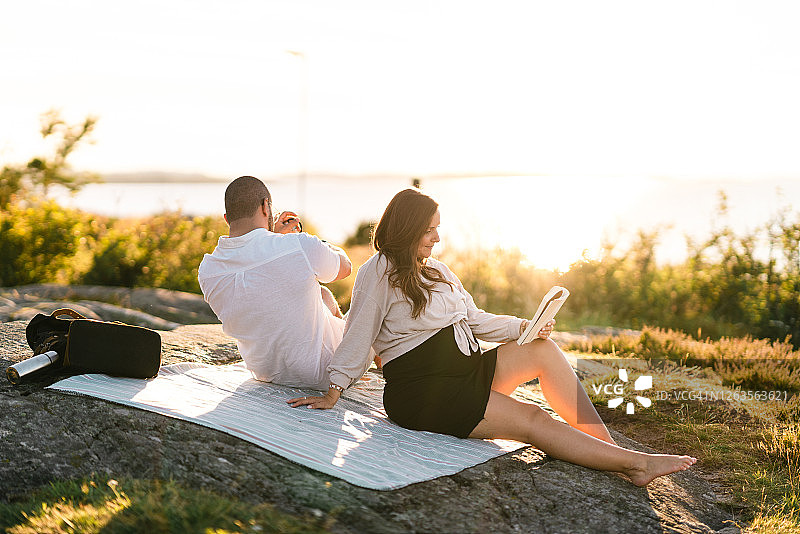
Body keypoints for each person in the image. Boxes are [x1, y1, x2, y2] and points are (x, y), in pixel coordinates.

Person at [288, 188, 696, 486]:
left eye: (438, 230)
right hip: (425, 391)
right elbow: (359, 334)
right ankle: (633, 465)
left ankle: (614, 453)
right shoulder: (377, 272)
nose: (436, 238)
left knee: (543, 349)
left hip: (466, 369)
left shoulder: (439, 270)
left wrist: (525, 327)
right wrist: (334, 390)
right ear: (409, 228)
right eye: (430, 230)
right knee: (533, 419)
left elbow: (477, 320)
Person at [198, 175, 352, 390]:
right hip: (322, 374)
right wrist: (321, 244)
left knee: (323, 294)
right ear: (265, 206)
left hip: (265, 372)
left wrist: (272, 236)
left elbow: (258, 283)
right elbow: (345, 268)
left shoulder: (208, 270)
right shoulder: (299, 245)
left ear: (227, 218)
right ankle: (357, 359)